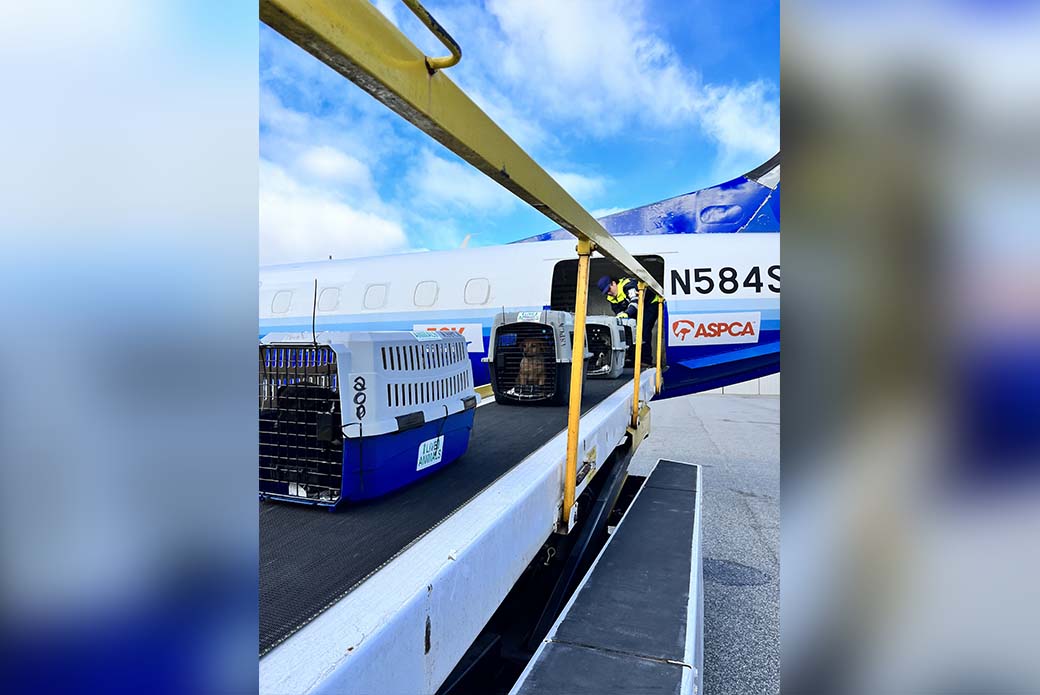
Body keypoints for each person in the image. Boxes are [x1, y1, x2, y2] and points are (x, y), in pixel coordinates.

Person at [597, 275, 661, 365]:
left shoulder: (628, 285)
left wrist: (626, 313)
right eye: (606, 292)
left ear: (614, 283)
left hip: (650, 304)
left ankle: (646, 360)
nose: (609, 293)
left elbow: (635, 302)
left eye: (609, 289)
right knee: (629, 330)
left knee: (643, 329)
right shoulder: (611, 298)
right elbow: (619, 312)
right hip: (635, 309)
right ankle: (632, 358)